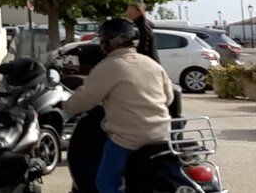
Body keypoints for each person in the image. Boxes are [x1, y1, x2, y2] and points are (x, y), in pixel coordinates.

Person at [64, 18, 174, 193]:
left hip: (128, 139)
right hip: (161, 134)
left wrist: (67, 106)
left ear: (110, 42)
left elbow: (84, 99)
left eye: (102, 40)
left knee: (105, 181)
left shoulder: (109, 66)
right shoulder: (151, 64)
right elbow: (168, 98)